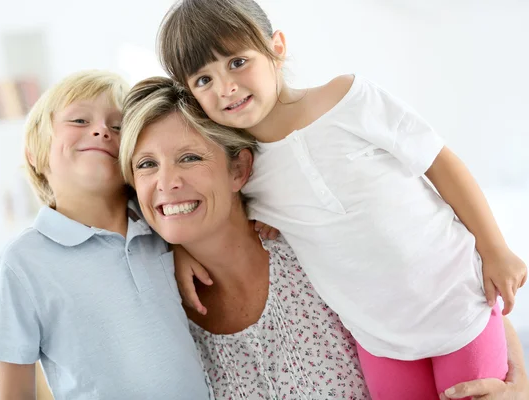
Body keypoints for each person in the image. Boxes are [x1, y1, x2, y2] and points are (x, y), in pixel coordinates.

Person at [157, 1, 528, 397]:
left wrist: (494, 248)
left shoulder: (349, 98)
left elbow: (439, 161)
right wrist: (179, 250)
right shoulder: (244, 169)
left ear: (276, 47)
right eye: (203, 81)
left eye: (236, 62)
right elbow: (206, 219)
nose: (225, 88)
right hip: (379, 340)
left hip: (458, 302)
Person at [0, 70, 210, 399]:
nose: (102, 130)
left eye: (118, 127)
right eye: (78, 120)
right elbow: (14, 393)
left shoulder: (164, 231)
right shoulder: (22, 262)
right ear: (36, 154)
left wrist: (183, 247)